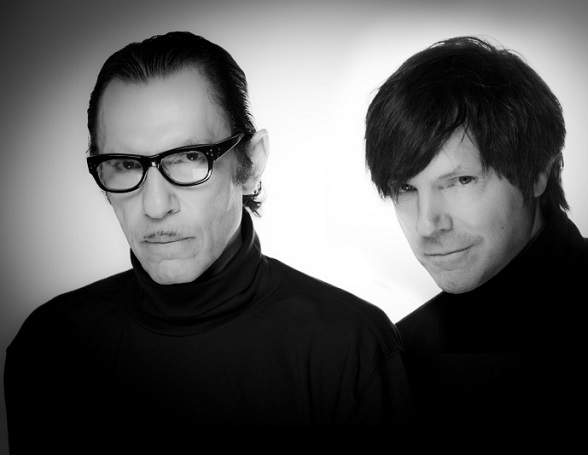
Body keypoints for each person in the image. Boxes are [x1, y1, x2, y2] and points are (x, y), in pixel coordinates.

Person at [4, 31, 413, 450]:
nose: (156, 206)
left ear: (251, 163)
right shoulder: (48, 347)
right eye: (125, 164)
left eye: (189, 157)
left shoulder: (351, 346)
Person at [365, 36, 588, 427]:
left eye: (461, 180)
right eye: (406, 189)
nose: (427, 225)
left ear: (538, 173)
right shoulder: (396, 359)